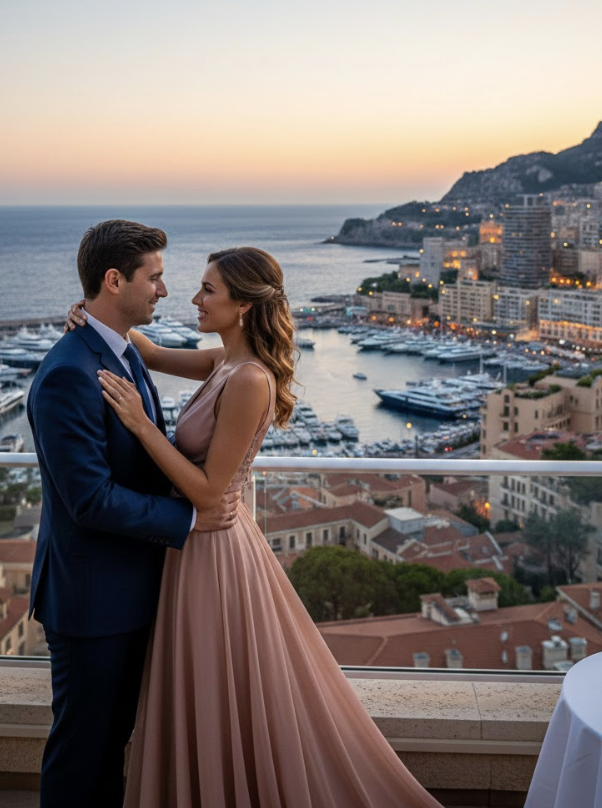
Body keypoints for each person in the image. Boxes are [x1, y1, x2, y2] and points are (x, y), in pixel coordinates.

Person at [69, 246, 443, 807]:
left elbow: (208, 491)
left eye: (208, 290)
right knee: (204, 683)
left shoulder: (248, 379)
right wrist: (87, 315)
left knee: (215, 682)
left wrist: (142, 426)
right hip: (191, 541)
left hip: (212, 547)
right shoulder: (222, 362)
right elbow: (146, 351)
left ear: (243, 305)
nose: (194, 299)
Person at [28, 219, 240, 808]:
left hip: (128, 589)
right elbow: (90, 500)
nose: (165, 291)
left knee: (111, 742)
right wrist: (189, 518)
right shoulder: (69, 373)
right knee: (81, 752)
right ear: (115, 280)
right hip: (91, 600)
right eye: (155, 278)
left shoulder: (120, 351)